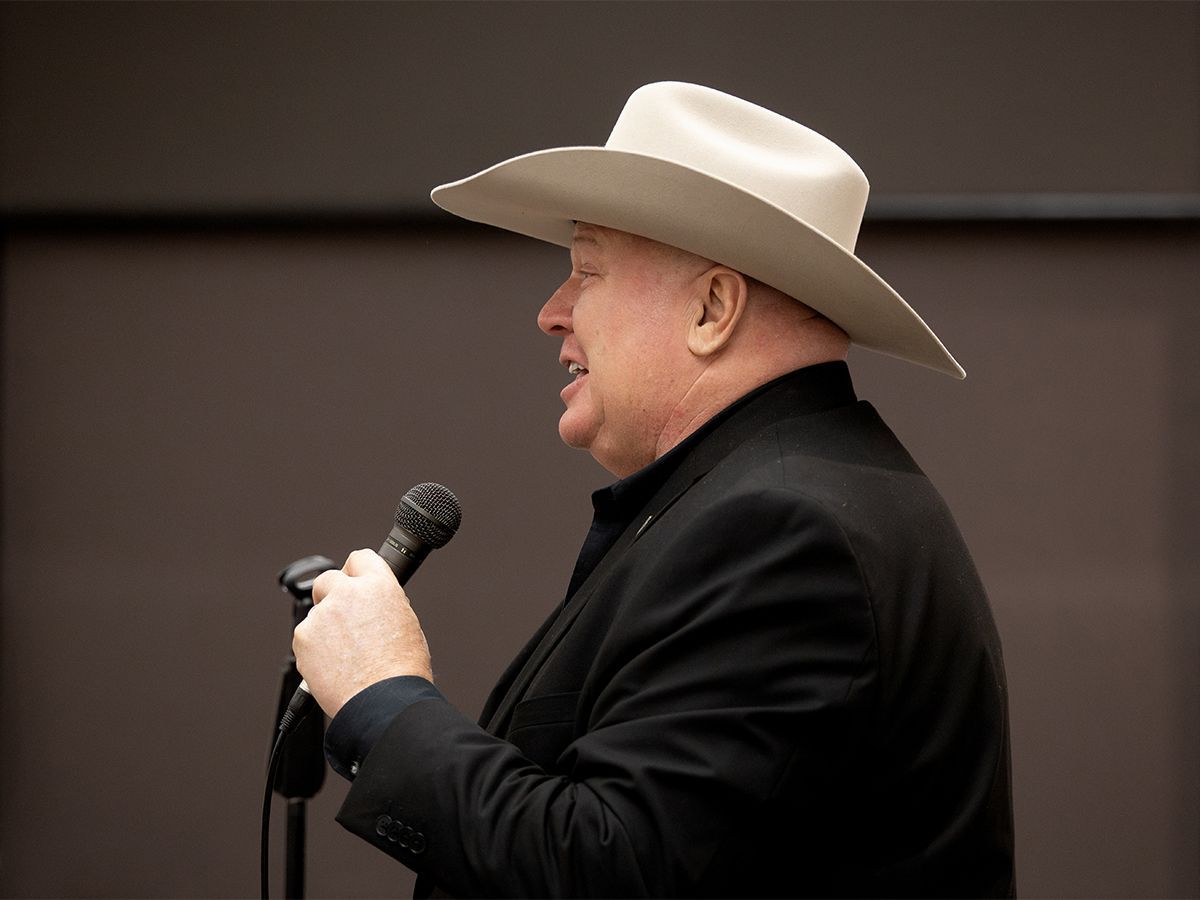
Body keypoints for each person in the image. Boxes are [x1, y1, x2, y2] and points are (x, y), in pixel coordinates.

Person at [293, 81, 1015, 897]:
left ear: (713, 308)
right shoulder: (788, 495)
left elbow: (615, 872)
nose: (552, 312)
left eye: (587, 269)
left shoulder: (783, 531)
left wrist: (383, 697)